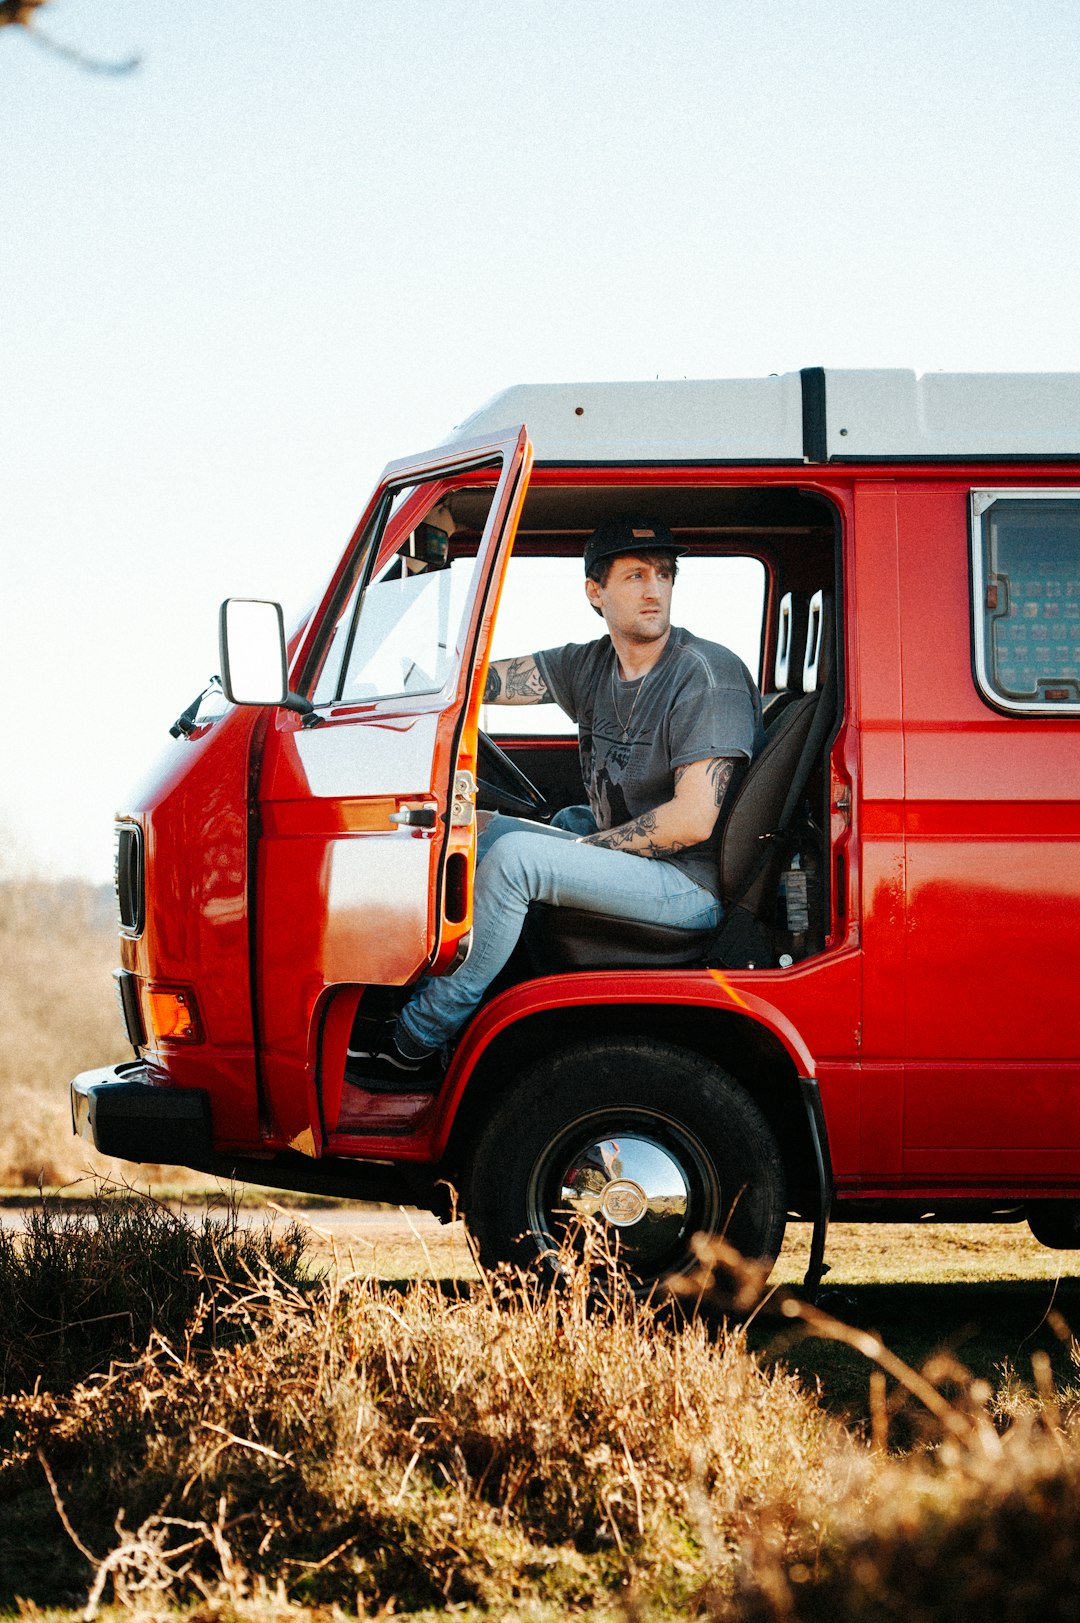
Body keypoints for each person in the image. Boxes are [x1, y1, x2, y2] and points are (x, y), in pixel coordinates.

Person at [348, 517, 764, 1088]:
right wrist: (400, 676)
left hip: (689, 883)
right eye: (636, 575)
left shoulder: (704, 675)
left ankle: (415, 1041)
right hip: (640, 864)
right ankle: (397, 987)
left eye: (664, 575)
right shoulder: (592, 665)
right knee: (486, 833)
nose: (654, 590)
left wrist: (584, 851)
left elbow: (693, 821)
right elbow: (479, 683)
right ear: (595, 592)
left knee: (519, 860)